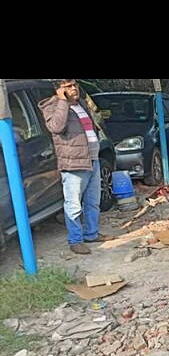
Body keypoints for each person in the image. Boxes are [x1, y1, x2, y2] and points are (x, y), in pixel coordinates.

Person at [38, 79, 114, 255]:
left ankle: (91, 233)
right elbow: (56, 127)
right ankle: (75, 240)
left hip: (92, 159)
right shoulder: (52, 106)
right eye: (69, 86)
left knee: (93, 202)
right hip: (74, 163)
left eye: (75, 85)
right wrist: (63, 101)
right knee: (73, 205)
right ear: (59, 90)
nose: (74, 89)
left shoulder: (81, 104)